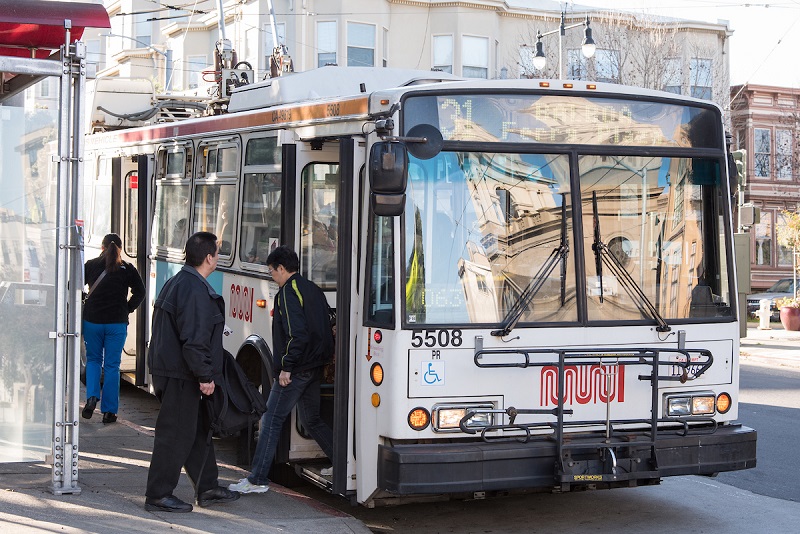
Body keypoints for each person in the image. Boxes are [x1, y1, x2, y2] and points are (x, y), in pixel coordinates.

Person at [144, 232, 240, 513]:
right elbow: (194, 340)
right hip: (181, 374)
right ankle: (158, 495)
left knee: (196, 431)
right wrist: (205, 377)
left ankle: (207, 487)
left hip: (173, 370)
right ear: (209, 258)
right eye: (218, 253)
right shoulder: (195, 290)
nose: (218, 258)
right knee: (174, 434)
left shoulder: (179, 281)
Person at [229, 245, 334, 494]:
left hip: (296, 370)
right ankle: (341, 463)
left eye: (272, 271)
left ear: (282, 269)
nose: (271, 276)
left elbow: (296, 335)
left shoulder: (287, 293)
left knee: (271, 420)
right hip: (314, 366)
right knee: (312, 419)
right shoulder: (313, 289)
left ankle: (257, 480)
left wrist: (286, 368)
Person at [82, 233, 145, 424]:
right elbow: (140, 292)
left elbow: (73, 285)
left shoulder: (91, 265)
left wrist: (86, 297)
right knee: (112, 366)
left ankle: (92, 397)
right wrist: (127, 308)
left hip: (92, 321)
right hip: (116, 324)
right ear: (120, 249)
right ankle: (109, 412)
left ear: (102, 248)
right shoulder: (126, 268)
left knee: (93, 360)